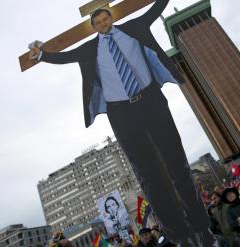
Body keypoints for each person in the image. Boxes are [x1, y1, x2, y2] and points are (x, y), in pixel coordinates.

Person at [28, 1, 212, 245]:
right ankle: (178, 235)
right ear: (93, 27)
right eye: (98, 22)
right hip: (122, 113)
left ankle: (201, 227)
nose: (103, 24)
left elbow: (156, 9)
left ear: (111, 17)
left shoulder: (134, 28)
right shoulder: (89, 49)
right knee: (148, 175)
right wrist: (41, 54)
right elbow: (65, 57)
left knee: (177, 163)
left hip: (151, 100)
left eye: (105, 19)